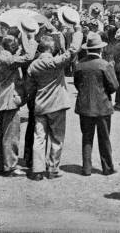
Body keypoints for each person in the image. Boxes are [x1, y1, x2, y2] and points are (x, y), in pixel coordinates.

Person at [26, 24, 82, 181]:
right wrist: (78, 33)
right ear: (51, 49)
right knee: (57, 138)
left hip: (40, 104)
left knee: (39, 137)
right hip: (57, 104)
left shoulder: (33, 66)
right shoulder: (56, 62)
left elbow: (29, 87)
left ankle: (37, 169)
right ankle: (52, 169)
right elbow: (72, 51)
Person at [74, 33, 119, 176]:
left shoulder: (80, 65)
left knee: (86, 137)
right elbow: (114, 85)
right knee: (104, 137)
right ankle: (107, 167)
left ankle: (86, 168)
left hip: (85, 106)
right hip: (103, 106)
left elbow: (77, 84)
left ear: (87, 49)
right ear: (100, 49)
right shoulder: (104, 65)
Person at [0, 34, 36, 176]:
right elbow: (28, 58)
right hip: (9, 100)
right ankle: (10, 166)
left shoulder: (4, 56)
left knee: (3, 134)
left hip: (4, 99)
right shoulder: (6, 58)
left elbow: (16, 57)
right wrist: (31, 40)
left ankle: (2, 164)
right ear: (11, 46)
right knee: (11, 135)